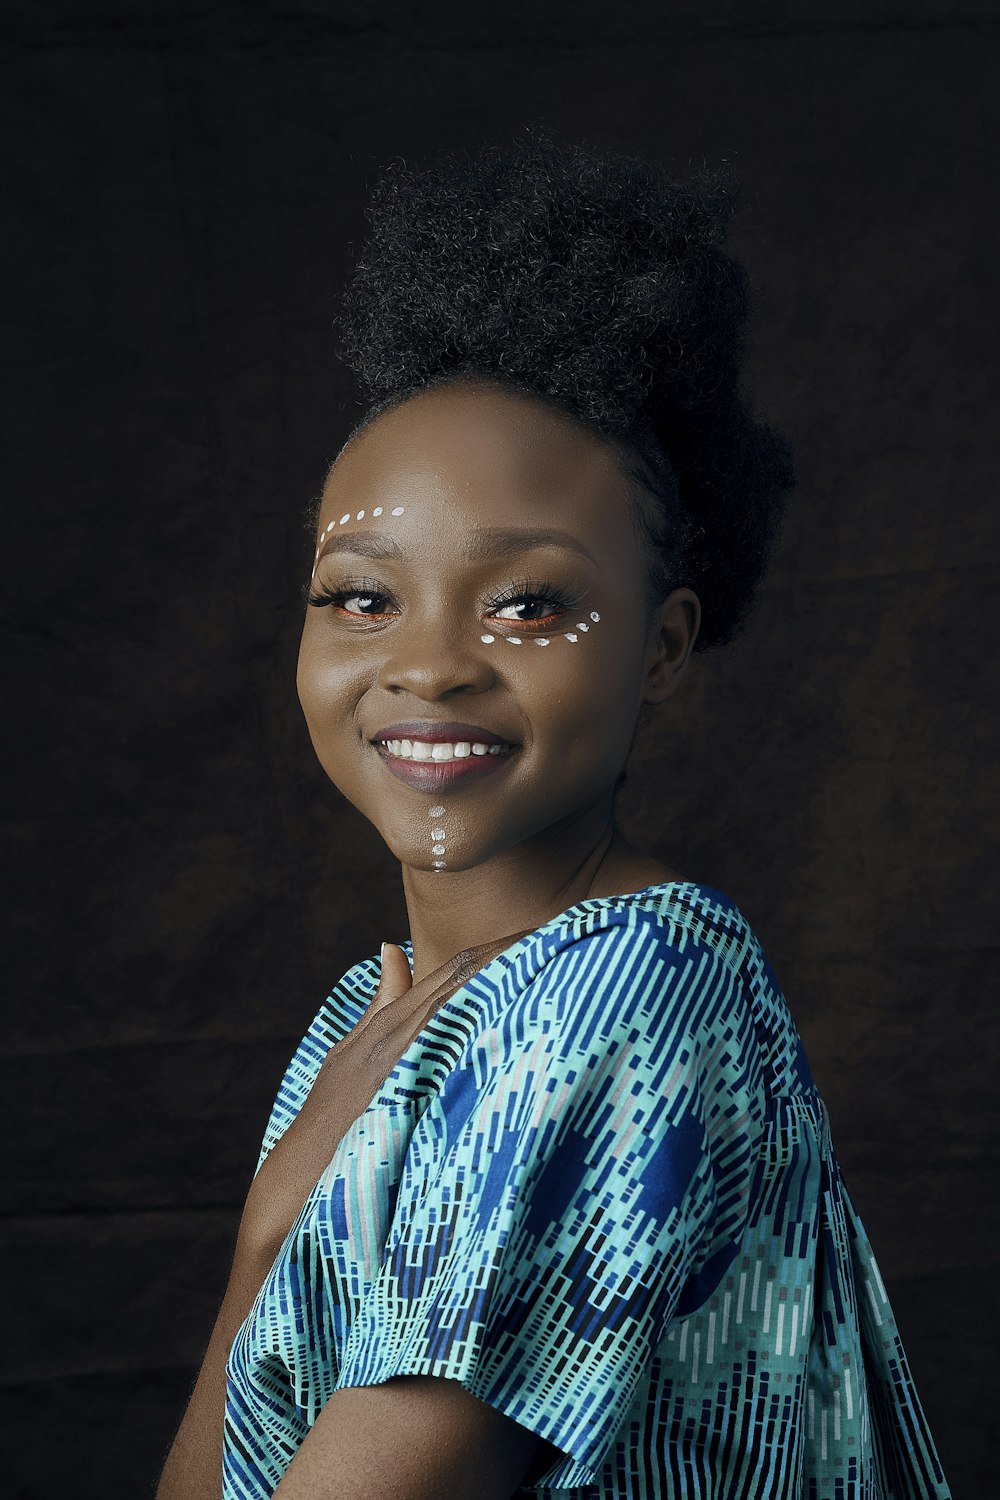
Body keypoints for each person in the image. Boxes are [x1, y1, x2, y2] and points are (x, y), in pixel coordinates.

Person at [155, 130, 951, 1500]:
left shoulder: (632, 992)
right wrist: (259, 1253)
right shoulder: (370, 1021)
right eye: (362, 594)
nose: (429, 662)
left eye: (528, 602)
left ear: (661, 645)